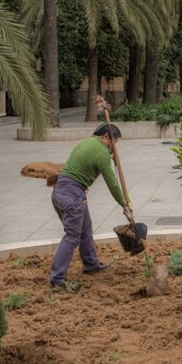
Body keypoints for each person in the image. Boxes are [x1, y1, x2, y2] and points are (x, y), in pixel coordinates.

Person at [49, 122, 130, 288]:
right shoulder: (102, 153)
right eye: (114, 144)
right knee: (72, 236)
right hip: (72, 195)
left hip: (61, 190)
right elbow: (112, 182)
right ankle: (57, 278)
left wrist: (109, 154)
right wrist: (124, 204)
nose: (114, 148)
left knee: (85, 227)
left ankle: (91, 263)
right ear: (106, 137)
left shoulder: (87, 143)